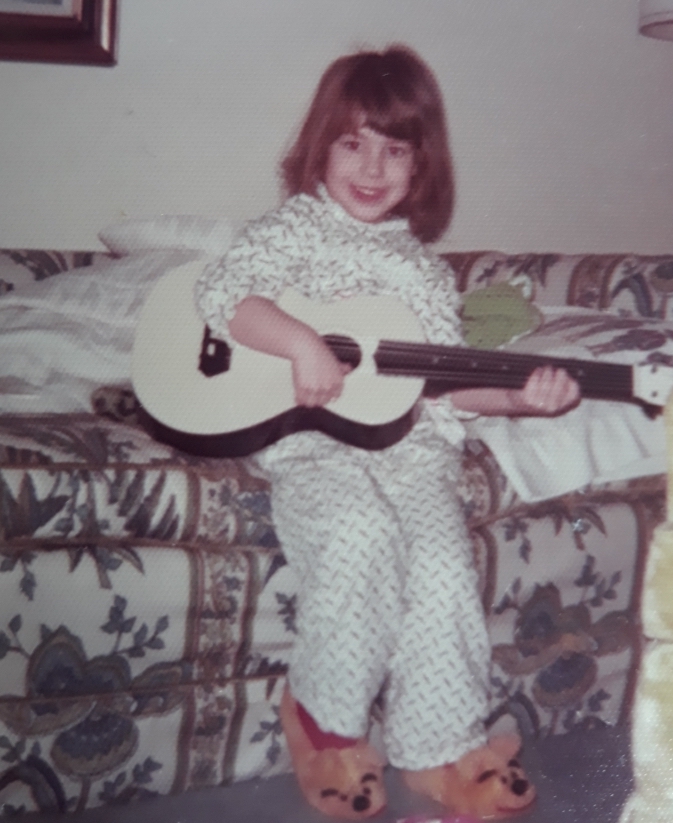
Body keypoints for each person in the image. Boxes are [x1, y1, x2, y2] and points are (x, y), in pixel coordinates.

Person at [195, 46, 579, 820]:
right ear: (320, 149)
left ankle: (440, 750)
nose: (371, 166)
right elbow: (226, 296)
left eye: (394, 148)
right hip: (310, 437)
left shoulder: (423, 272)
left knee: (440, 560)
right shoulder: (295, 228)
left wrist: (522, 399)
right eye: (352, 142)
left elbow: (441, 385)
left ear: (419, 163)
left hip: (411, 446)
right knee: (359, 534)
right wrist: (302, 342)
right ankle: (326, 731)